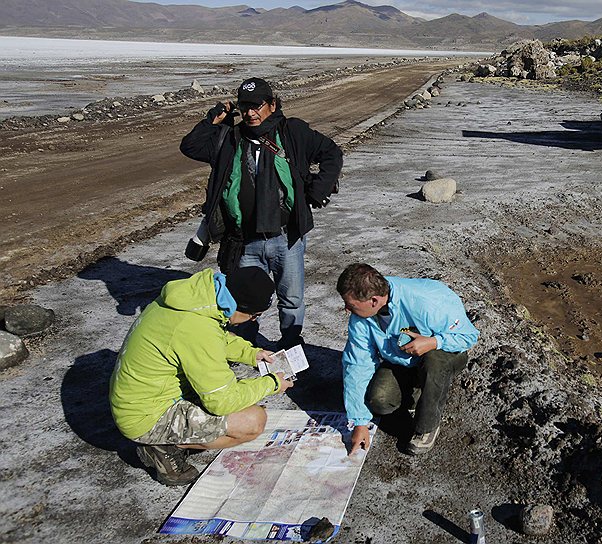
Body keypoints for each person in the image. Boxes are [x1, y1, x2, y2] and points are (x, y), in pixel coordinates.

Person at [180, 77, 343, 350]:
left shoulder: (293, 132)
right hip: (244, 240)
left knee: (291, 299)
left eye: (257, 106)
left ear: (272, 104)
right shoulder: (229, 138)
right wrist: (214, 118)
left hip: (286, 237)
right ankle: (244, 348)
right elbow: (190, 146)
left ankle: (291, 345)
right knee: (243, 300)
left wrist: (318, 190)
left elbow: (331, 153)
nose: (251, 113)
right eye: (245, 107)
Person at [109, 266, 294, 486]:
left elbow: (218, 338)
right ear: (237, 306)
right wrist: (272, 383)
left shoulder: (197, 301)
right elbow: (222, 402)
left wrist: (252, 354)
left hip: (144, 398)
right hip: (146, 417)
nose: (253, 321)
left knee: (237, 398)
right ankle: (163, 448)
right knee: (253, 421)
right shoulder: (196, 327)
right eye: (254, 315)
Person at [337, 263, 479, 456]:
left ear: (374, 300)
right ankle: (418, 391)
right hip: (401, 360)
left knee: (435, 362)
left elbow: (468, 336)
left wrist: (434, 342)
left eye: (351, 305)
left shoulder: (428, 302)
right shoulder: (360, 318)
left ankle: (427, 426)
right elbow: (357, 363)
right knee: (379, 401)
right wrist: (360, 422)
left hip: (445, 353)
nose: (346, 310)